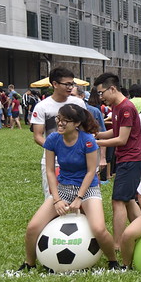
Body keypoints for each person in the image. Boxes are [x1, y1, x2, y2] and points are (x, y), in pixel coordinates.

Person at [18, 104, 121, 271]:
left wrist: (79, 198)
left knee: (99, 229)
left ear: (77, 123)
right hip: (64, 188)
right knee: (33, 227)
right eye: (59, 119)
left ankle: (113, 261)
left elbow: (90, 172)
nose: (60, 123)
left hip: (88, 189)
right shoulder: (53, 139)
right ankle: (29, 263)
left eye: (65, 120)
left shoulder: (87, 140)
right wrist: (57, 199)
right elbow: (50, 171)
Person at [94, 73, 141, 250]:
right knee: (129, 200)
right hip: (126, 159)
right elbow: (115, 132)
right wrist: (97, 134)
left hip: (131, 159)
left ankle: (117, 244)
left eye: (102, 93)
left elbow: (122, 139)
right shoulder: (116, 107)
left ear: (112, 88)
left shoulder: (126, 108)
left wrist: (95, 143)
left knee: (118, 201)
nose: (101, 97)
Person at [31, 67, 86, 199]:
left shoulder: (78, 103)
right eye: (67, 84)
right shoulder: (42, 106)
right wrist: (56, 149)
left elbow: (85, 130)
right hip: (52, 160)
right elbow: (38, 136)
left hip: (77, 159)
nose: (70, 87)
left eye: (72, 84)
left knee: (79, 197)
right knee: (53, 197)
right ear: (55, 84)